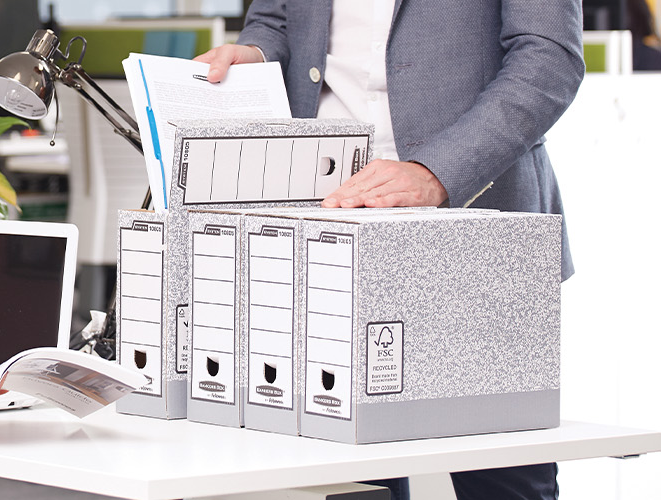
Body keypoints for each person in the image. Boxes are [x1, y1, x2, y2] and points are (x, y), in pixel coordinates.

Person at [195, 1, 583, 499]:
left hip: (475, 221)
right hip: (327, 213)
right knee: (347, 470)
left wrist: (436, 170)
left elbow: (550, 57)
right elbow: (277, 20)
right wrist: (256, 53)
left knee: (499, 472)